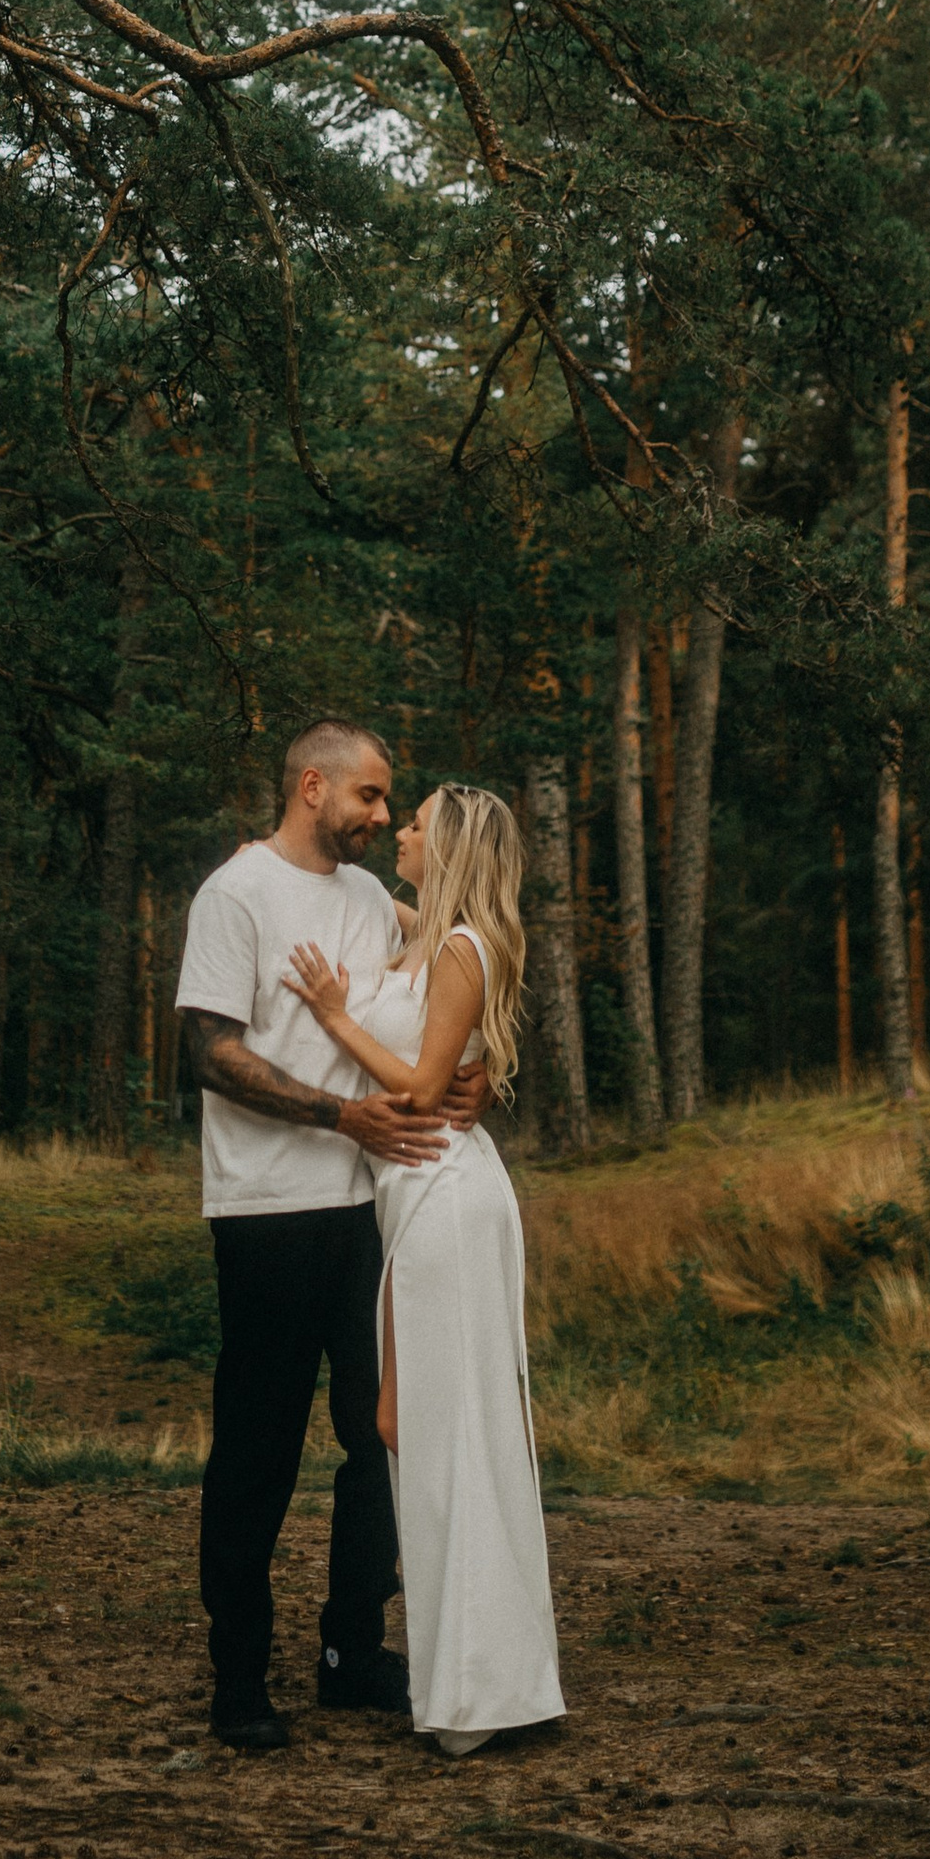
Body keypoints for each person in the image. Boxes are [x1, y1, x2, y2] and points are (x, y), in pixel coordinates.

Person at [176, 718, 480, 1753]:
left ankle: (353, 1650)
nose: (384, 816)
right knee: (259, 1447)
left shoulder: (362, 897)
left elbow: (454, 960)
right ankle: (239, 1677)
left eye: (391, 803)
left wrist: (471, 1069)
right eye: (371, 798)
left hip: (371, 1209)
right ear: (315, 787)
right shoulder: (235, 895)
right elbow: (212, 1054)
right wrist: (336, 1114)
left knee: (380, 1437)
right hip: (266, 1212)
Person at [286, 782, 566, 1758]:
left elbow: (411, 1085)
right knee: (415, 1426)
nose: (397, 830)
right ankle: (482, 1680)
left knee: (440, 1432)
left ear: (445, 848)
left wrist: (328, 1014)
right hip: (417, 1197)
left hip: (441, 1194)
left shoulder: (458, 949)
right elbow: (360, 905)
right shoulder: (428, 933)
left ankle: (476, 1696)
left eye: (413, 825)